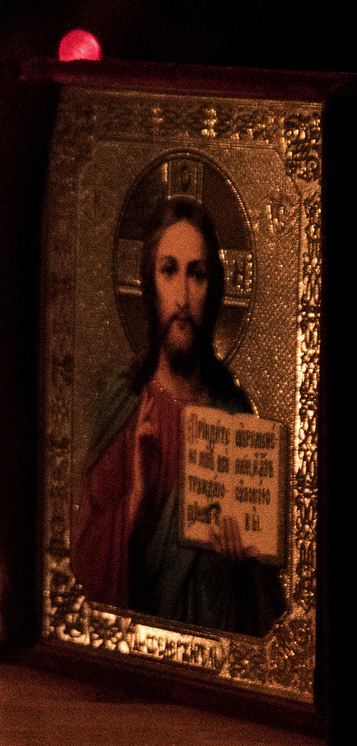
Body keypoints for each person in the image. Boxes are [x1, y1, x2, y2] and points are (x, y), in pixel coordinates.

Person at [69, 190, 281, 636]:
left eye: (197, 274)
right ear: (150, 283)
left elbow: (267, 608)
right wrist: (136, 505)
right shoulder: (120, 409)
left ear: (214, 288)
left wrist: (241, 567)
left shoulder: (237, 419)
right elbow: (76, 575)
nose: (183, 296)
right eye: (169, 271)